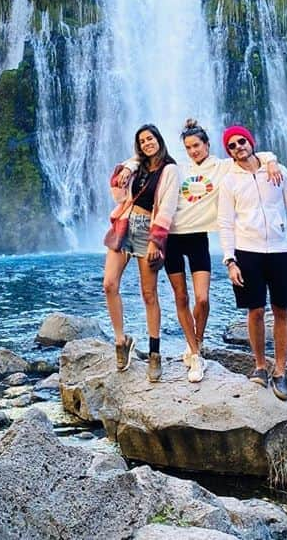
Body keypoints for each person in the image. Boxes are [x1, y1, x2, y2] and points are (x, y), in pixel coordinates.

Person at [119, 120, 282, 383]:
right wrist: (128, 166)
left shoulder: (221, 166)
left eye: (197, 145)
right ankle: (195, 353)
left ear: (207, 144)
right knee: (181, 297)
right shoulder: (175, 167)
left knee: (202, 299)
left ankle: (197, 340)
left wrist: (272, 161)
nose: (193, 150)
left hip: (198, 238)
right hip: (171, 238)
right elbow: (143, 159)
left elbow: (252, 154)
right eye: (188, 147)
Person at [217, 124, 287, 401]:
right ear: (229, 152)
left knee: (281, 310)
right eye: (232, 145)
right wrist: (230, 261)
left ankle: (280, 371)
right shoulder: (229, 181)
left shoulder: (275, 169)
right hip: (247, 251)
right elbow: (225, 223)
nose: (238, 147)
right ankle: (259, 366)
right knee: (255, 311)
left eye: (241, 141)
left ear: (251, 141)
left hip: (280, 249)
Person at [104, 124, 179, 383]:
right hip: (125, 226)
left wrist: (156, 242)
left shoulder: (170, 169)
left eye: (151, 138)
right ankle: (120, 340)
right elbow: (117, 194)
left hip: (149, 230)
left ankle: (155, 354)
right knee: (109, 284)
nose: (147, 143)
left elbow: (168, 206)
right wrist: (129, 166)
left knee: (149, 294)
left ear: (159, 139)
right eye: (142, 141)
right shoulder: (138, 167)